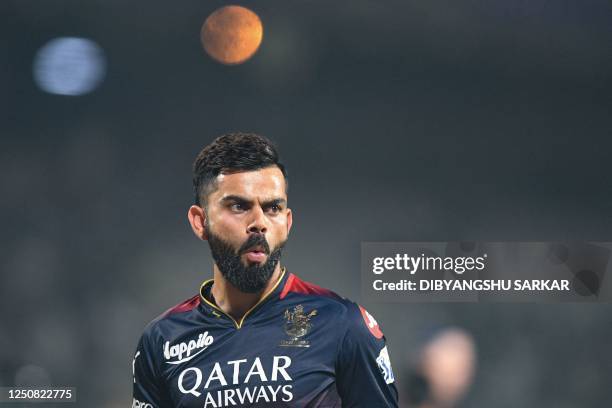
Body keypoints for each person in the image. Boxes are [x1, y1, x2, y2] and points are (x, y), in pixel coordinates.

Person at [132, 132, 398, 407]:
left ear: (287, 221)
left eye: (272, 208)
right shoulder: (162, 340)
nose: (259, 222)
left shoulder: (344, 325)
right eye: (238, 206)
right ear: (200, 222)